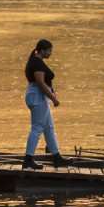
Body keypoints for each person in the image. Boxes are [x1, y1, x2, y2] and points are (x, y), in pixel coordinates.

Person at [22, 39, 66, 170]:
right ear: (42, 50)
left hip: (38, 96)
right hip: (38, 97)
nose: (50, 53)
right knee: (37, 128)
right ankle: (28, 159)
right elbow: (41, 83)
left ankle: (57, 157)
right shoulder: (37, 63)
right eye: (49, 51)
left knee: (49, 128)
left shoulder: (36, 61)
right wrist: (53, 98)